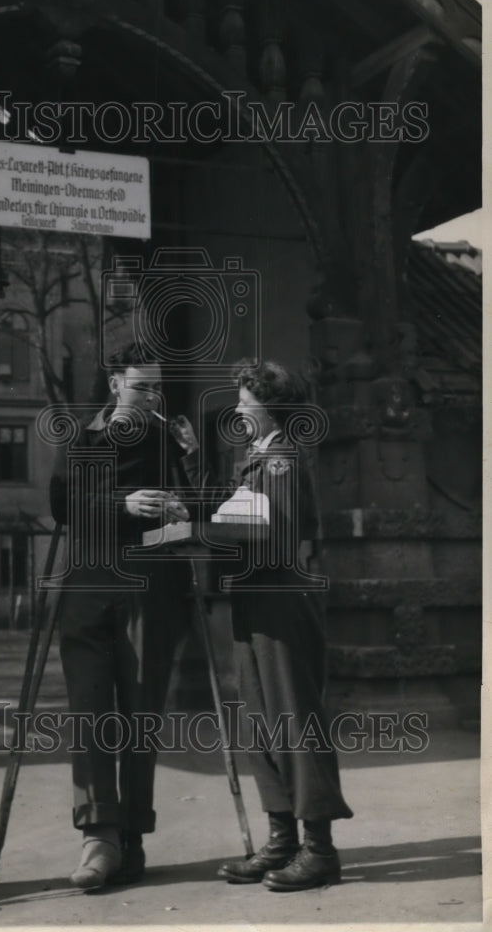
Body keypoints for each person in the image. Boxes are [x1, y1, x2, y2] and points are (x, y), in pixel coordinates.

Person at [175, 359, 352, 892]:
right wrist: (189, 467)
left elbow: (267, 537)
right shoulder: (256, 460)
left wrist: (196, 531)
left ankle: (319, 850)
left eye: (246, 403)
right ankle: (282, 842)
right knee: (262, 722)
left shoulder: (281, 462)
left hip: (280, 599)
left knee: (293, 720)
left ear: (271, 410)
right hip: (255, 598)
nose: (238, 410)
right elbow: (232, 514)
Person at [49, 343, 194, 890]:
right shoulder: (81, 438)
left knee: (140, 712)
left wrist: (183, 504)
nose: (152, 397)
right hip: (87, 587)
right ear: (114, 385)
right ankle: (98, 835)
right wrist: (122, 506)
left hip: (150, 587)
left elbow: (197, 513)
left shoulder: (168, 440)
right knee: (90, 712)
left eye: (158, 388)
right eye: (142, 387)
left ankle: (131, 836)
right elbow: (62, 506)